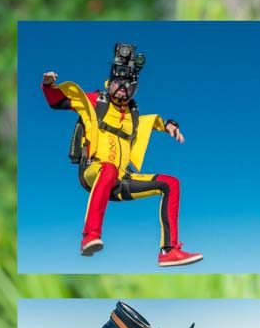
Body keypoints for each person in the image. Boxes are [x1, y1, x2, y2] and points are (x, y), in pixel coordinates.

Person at [41, 43, 202, 267]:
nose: (122, 90)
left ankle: (169, 250)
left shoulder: (133, 114)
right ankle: (90, 235)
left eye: (128, 87)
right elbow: (57, 101)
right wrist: (49, 85)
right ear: (110, 81)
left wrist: (167, 125)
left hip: (121, 179)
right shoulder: (96, 101)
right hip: (94, 171)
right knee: (108, 168)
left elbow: (149, 122)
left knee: (170, 183)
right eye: (118, 84)